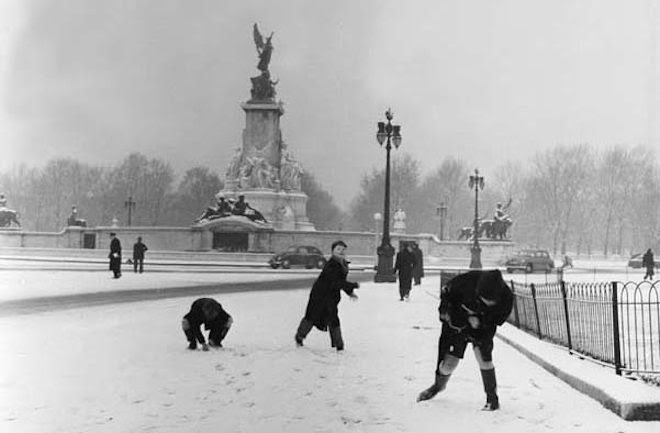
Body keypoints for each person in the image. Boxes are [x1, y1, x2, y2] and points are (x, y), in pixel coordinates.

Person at [417, 269, 513, 411]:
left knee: (484, 359)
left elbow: (498, 319)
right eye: (484, 299)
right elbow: (446, 299)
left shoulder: (506, 298)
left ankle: (492, 399)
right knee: (448, 364)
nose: (487, 303)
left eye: (490, 302)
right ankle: (438, 385)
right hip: (457, 324)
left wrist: (481, 321)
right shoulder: (464, 282)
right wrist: (452, 315)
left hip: (483, 328)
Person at [294, 240, 359, 351]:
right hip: (319, 296)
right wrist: (352, 285)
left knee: (333, 319)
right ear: (333, 251)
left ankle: (339, 345)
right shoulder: (331, 265)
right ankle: (299, 337)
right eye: (338, 249)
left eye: (343, 249)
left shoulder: (342, 263)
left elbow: (340, 281)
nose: (341, 251)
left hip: (331, 297)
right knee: (311, 317)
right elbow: (335, 282)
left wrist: (350, 292)